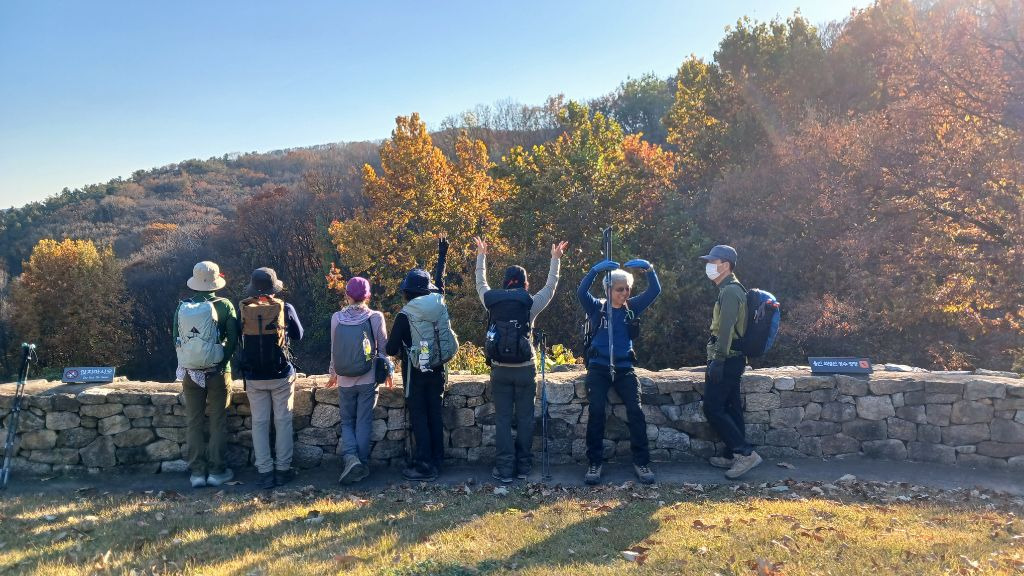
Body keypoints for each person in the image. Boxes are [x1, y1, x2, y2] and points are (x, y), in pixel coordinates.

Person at [474, 236, 568, 483]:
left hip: (500, 370)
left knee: (503, 419)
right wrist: (555, 260)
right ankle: (524, 467)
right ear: (526, 283)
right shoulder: (529, 304)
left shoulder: (492, 302)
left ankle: (504, 469)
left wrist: (481, 256)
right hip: (525, 369)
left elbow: (480, 283)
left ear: (505, 282)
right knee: (525, 418)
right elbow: (550, 288)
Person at [578, 257, 661, 485]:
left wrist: (649, 269)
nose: (624, 293)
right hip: (599, 368)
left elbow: (655, 290)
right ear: (608, 289)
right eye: (619, 289)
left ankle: (641, 462)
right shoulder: (597, 307)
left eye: (627, 289)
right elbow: (581, 292)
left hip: (624, 368)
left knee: (636, 411)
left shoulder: (631, 308)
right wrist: (594, 271)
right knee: (596, 410)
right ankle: (594, 463)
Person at [386, 235, 450, 482]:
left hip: (415, 372)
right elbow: (440, 282)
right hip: (438, 367)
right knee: (435, 413)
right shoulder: (439, 303)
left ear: (407, 292)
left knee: (419, 416)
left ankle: (424, 465)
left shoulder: (405, 315)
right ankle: (438, 460)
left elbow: (391, 348)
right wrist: (442, 255)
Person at [173, 261, 239, 489]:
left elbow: (176, 340)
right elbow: (234, 339)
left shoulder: (183, 307)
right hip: (218, 373)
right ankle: (217, 471)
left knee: (194, 421)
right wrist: (221, 362)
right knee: (217, 421)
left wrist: (191, 361)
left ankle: (197, 473)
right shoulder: (224, 305)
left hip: (190, 373)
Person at [699, 244, 762, 479]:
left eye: (712, 262)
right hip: (733, 358)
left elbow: (725, 329)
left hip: (727, 358)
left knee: (712, 407)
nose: (709, 266)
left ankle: (745, 454)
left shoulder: (731, 291)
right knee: (731, 407)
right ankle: (731, 454)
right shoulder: (729, 289)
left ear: (725, 265)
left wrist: (717, 360)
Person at [238, 267, 304, 489]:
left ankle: (265, 472)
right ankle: (283, 470)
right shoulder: (285, 307)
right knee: (283, 421)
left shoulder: (244, 308)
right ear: (274, 288)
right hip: (280, 374)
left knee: (259, 423)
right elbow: (298, 335)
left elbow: (238, 336)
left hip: (253, 375)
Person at [326, 276, 389, 485]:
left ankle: (351, 459)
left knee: (347, 421)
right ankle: (361, 463)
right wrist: (388, 372)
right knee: (363, 421)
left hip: (344, 379)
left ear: (347, 295)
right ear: (368, 296)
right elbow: (383, 350)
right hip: (367, 378)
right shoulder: (375, 317)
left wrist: (333, 373)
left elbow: (334, 349)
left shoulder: (336, 318)